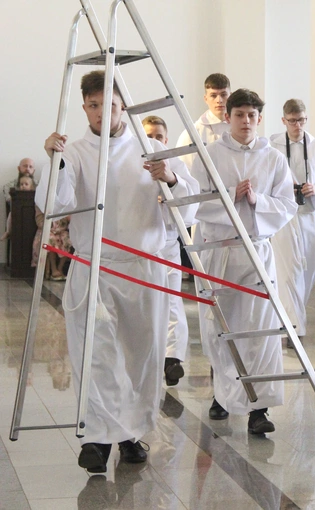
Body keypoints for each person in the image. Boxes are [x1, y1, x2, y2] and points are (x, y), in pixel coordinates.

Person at [37, 70, 200, 473]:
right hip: (94, 267)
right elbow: (54, 204)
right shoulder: (73, 152)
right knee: (95, 354)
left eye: (106, 105)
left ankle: (130, 434)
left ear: (121, 105)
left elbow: (190, 207)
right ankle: (96, 438)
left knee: (138, 358)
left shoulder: (153, 149)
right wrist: (54, 163)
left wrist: (172, 179)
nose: (99, 113)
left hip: (142, 270)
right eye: (92, 106)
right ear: (84, 108)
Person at [191, 88, 297, 434]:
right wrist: (229, 199)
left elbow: (287, 205)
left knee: (260, 331)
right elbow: (195, 204)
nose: (246, 121)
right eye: (239, 115)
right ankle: (222, 396)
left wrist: (258, 201)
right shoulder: (210, 154)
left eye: (252, 115)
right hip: (220, 251)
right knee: (220, 327)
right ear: (228, 117)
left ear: (260, 119)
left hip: (256, 251)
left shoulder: (274, 158)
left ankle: (259, 409)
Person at [269, 99, 315, 339]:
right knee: (287, 270)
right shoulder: (272, 145)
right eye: (292, 121)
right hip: (284, 217)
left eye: (301, 120)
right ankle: (292, 327)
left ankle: (296, 321)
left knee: (308, 269)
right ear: (283, 121)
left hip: (311, 214)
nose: (297, 125)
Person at [142, 115, 190, 386]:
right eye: (150, 136)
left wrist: (171, 183)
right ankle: (148, 358)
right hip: (138, 249)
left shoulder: (176, 164)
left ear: (166, 140)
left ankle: (172, 359)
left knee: (172, 301)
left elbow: (190, 203)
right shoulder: (132, 165)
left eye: (159, 137)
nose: (155, 141)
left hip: (168, 243)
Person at [175, 73, 231, 169]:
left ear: (231, 96)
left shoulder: (241, 127)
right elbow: (184, 171)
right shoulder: (192, 134)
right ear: (206, 99)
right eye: (213, 95)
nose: (219, 100)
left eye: (223, 94)